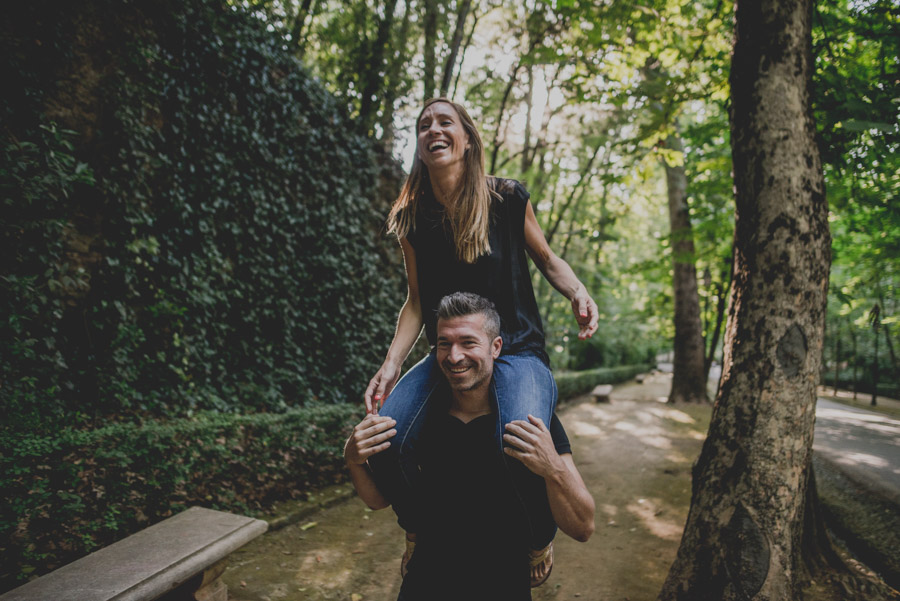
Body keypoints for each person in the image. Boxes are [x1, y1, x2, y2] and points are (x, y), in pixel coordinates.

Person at [365, 97, 599, 580]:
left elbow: (549, 259)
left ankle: (537, 540)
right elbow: (415, 300)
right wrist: (391, 364)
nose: (434, 129)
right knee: (386, 438)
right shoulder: (412, 218)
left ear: (467, 138)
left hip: (516, 349)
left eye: (445, 121)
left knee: (518, 439)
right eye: (424, 124)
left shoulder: (506, 198)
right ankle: (417, 527)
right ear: (420, 145)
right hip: (449, 352)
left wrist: (578, 291)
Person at [346, 293, 595, 600]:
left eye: (468, 342)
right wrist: (353, 458)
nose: (454, 356)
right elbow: (378, 500)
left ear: (496, 347)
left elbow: (583, 526)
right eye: (444, 343)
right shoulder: (419, 418)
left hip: (503, 583)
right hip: (427, 579)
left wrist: (553, 468)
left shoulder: (531, 417)